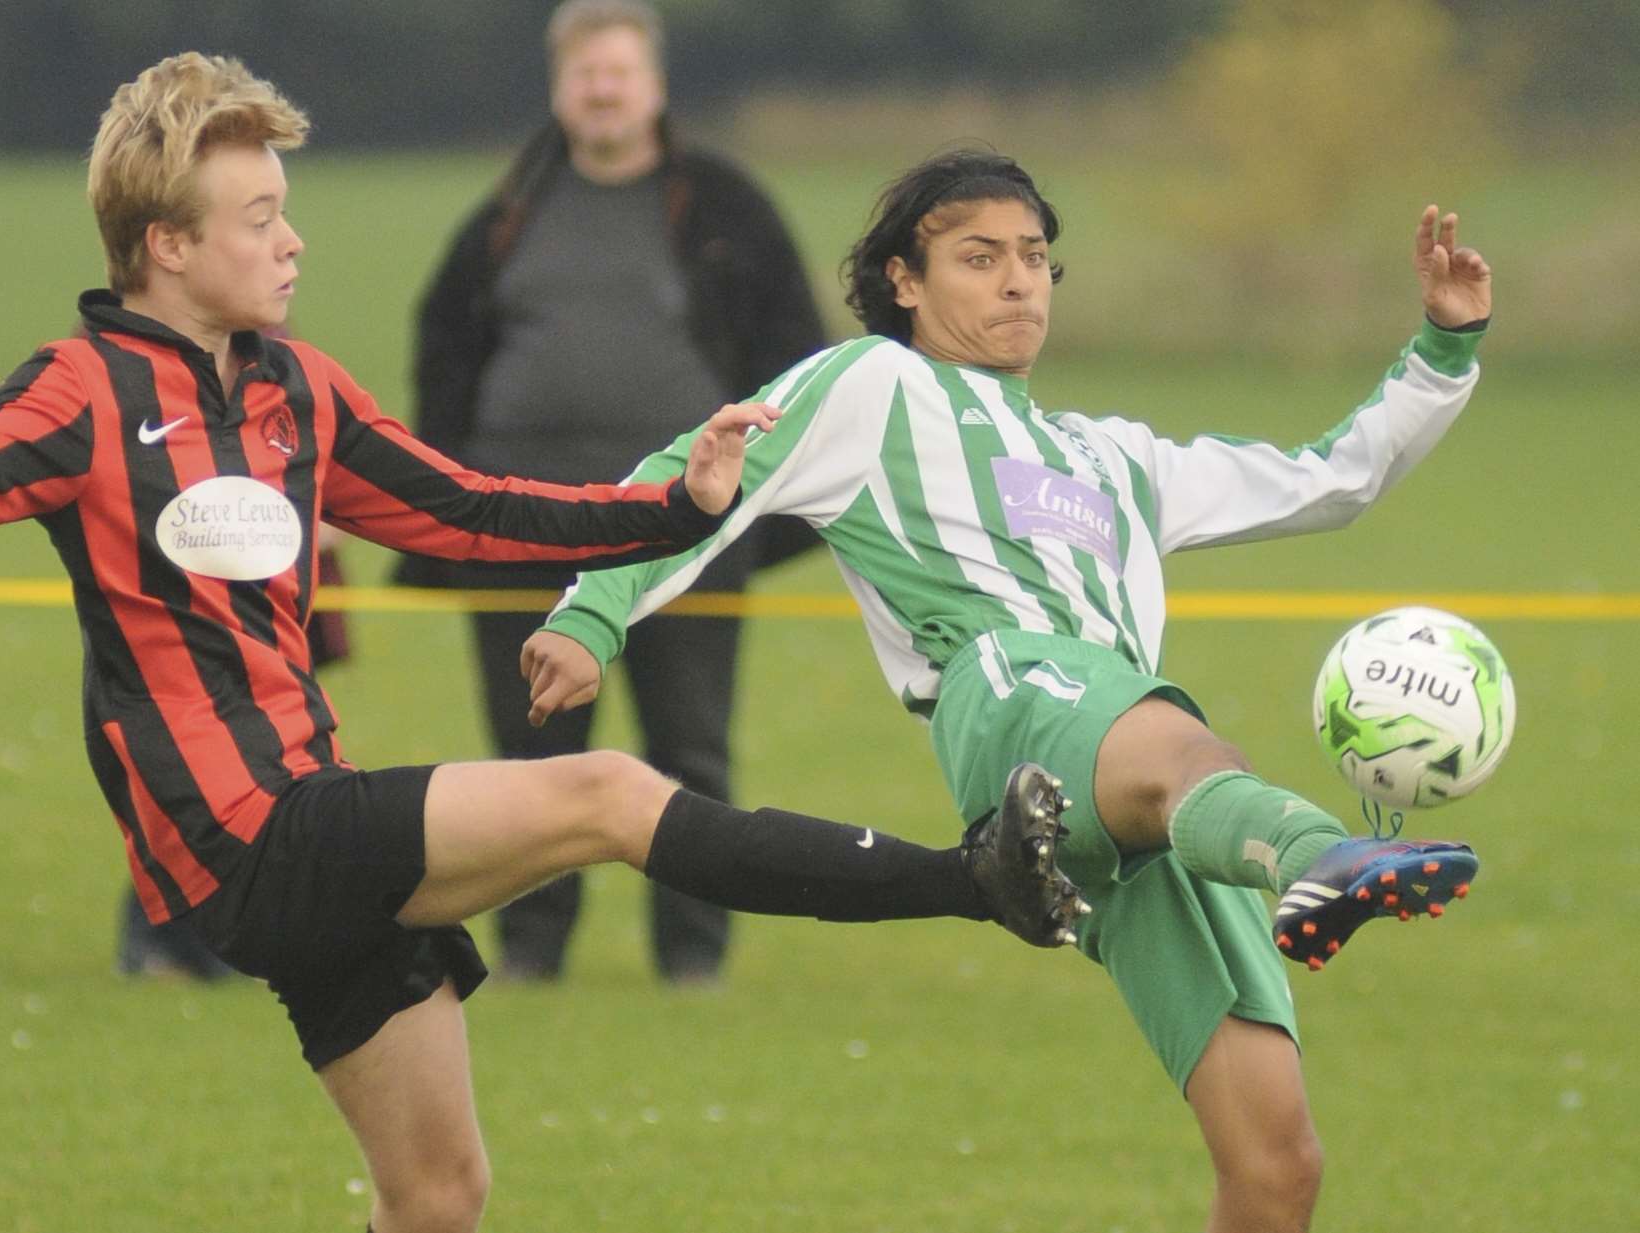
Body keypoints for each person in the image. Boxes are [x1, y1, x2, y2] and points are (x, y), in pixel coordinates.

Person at [0, 58, 1078, 1233]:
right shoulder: (82, 387)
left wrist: (680, 508)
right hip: (243, 835)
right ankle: (969, 881)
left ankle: (973, 883)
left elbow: (473, 511)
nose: (293, 241)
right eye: (260, 218)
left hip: (309, 808)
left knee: (439, 1198)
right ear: (167, 245)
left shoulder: (298, 387)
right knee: (603, 792)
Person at [523, 149, 1491, 1231]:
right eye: (977, 258)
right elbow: (696, 467)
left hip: (1136, 781)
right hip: (1010, 699)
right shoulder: (870, 385)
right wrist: (590, 615)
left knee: (1275, 1166)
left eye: (1033, 258)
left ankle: (1298, 860)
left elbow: (1331, 478)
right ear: (903, 280)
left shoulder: (1112, 458)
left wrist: (1443, 345)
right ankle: (1322, 857)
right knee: (1178, 741)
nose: (1017, 280)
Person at [396, 0, 827, 984]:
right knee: (525, 763)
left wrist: (755, 508)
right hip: (518, 529)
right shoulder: (507, 214)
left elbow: (796, 365)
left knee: (689, 753)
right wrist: (445, 506)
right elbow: (443, 357)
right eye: (584, 73)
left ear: (655, 87)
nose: (600, 90)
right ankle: (530, 953)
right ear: (558, 88)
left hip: (687, 531)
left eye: (618, 73)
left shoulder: (726, 208)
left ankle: (692, 957)